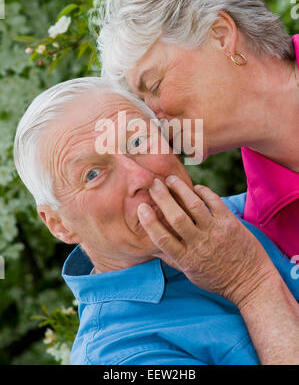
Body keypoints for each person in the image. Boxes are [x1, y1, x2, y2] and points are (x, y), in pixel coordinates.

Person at [14, 77, 299, 365]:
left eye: (138, 141)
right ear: (59, 225)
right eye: (92, 174)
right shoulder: (117, 355)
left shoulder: (257, 209)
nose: (141, 177)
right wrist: (250, 284)